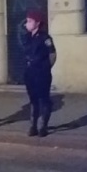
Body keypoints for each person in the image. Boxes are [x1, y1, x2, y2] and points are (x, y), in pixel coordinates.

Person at [23, 9, 57, 137]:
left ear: (37, 23)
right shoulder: (27, 37)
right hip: (30, 73)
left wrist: (46, 68)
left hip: (42, 73)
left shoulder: (45, 38)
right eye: (27, 21)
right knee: (33, 100)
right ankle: (33, 126)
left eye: (30, 21)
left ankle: (43, 126)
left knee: (43, 99)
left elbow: (52, 54)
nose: (27, 24)